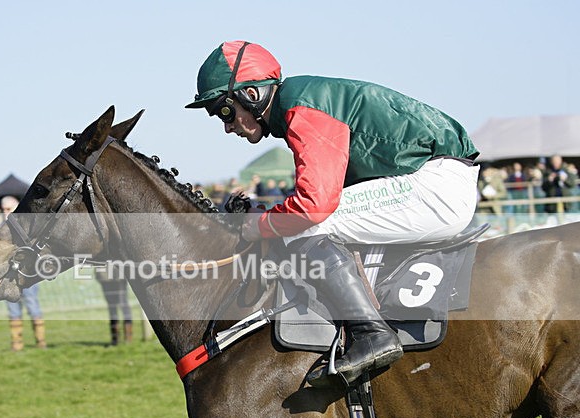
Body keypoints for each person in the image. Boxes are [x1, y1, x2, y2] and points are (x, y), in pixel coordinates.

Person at [187, 41, 479, 386]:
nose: (226, 127)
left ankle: (372, 334)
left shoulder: (303, 107)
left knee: (303, 228)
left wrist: (258, 225)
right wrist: (269, 216)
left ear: (251, 93)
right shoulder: (301, 102)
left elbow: (314, 206)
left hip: (437, 184)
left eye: (223, 111)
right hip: (436, 178)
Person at [0, 196, 47, 351]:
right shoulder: (1, 230)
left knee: (33, 306)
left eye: (8, 209)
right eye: (3, 209)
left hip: (26, 276)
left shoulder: (28, 228)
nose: (4, 212)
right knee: (13, 310)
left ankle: (41, 342)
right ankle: (16, 344)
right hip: (8, 277)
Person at [95, 265, 133, 346]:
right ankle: (115, 338)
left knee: (123, 305)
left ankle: (128, 337)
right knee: (112, 307)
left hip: (118, 275)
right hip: (105, 275)